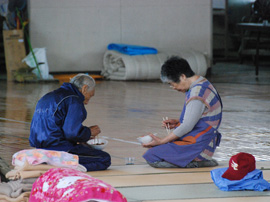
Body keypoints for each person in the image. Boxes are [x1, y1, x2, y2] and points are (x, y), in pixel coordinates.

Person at [142, 56, 223, 168]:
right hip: (203, 141)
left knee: (152, 155)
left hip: (199, 146)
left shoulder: (197, 93)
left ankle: (197, 162)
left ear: (183, 76)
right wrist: (178, 122)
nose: (173, 87)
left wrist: (162, 141)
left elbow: (187, 126)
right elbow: (200, 118)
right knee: (159, 151)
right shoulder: (203, 82)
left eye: (172, 83)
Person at [29, 74, 111, 171]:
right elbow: (71, 133)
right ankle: (64, 168)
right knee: (104, 158)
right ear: (84, 88)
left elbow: (57, 127)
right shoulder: (74, 99)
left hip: (40, 148)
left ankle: (53, 163)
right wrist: (89, 132)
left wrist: (83, 136)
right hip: (59, 149)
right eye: (90, 96)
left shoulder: (48, 96)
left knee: (85, 149)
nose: (88, 101)